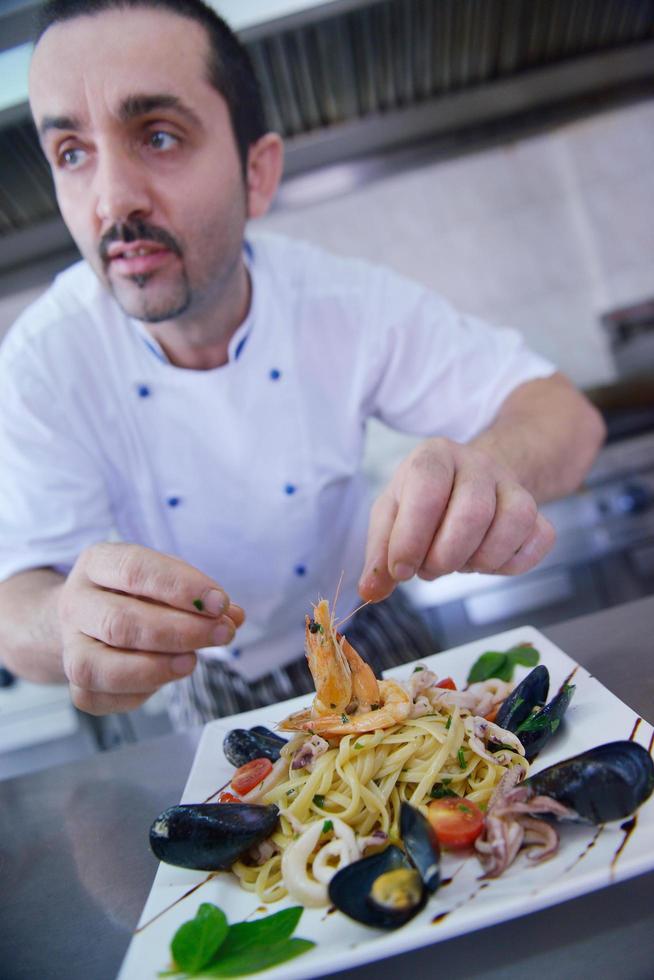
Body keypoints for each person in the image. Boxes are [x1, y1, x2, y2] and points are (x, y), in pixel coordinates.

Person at [0, 0, 605, 731]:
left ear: (258, 173)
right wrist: (64, 622)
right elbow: (15, 603)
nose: (111, 200)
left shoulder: (340, 302)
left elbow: (565, 416)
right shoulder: (43, 362)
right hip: (205, 682)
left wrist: (488, 469)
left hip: (374, 634)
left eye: (158, 136)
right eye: (72, 153)